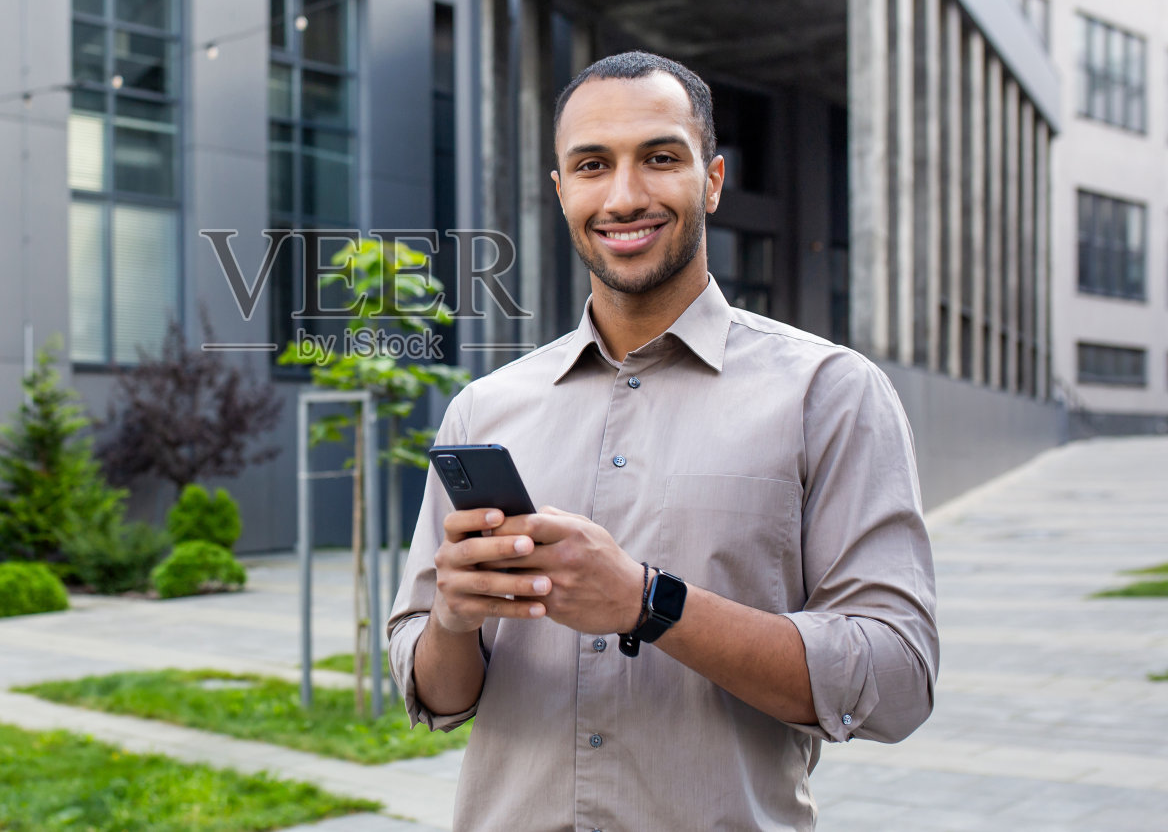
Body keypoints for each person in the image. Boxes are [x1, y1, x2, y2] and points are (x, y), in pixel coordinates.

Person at [387, 51, 938, 831]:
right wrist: (453, 619)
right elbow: (436, 694)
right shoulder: (484, 409)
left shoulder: (831, 393)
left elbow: (897, 677)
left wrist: (650, 602)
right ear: (561, 191)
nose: (623, 195)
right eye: (591, 165)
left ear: (711, 180)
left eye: (659, 157)